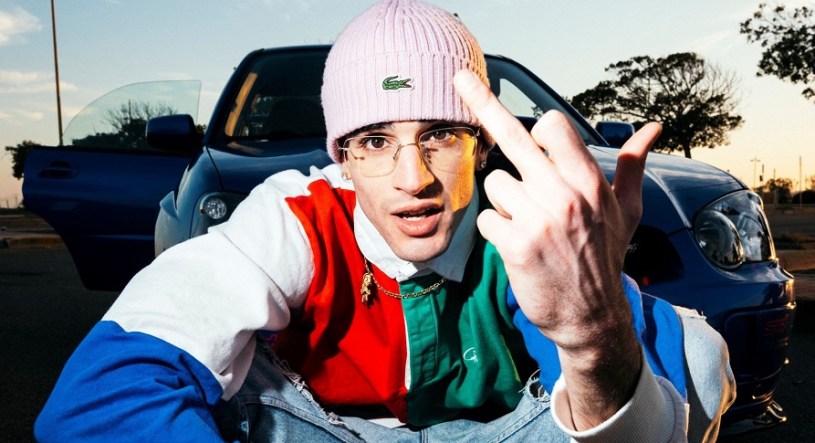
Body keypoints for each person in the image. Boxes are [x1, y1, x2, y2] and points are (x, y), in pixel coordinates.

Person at [35, 0, 735, 441]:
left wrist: (592, 333)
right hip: (317, 431)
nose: (413, 178)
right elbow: (97, 398)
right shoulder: (294, 215)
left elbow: (656, 419)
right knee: (209, 386)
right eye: (375, 141)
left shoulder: (517, 224)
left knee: (694, 359)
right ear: (341, 157)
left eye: (439, 134)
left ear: (480, 144)